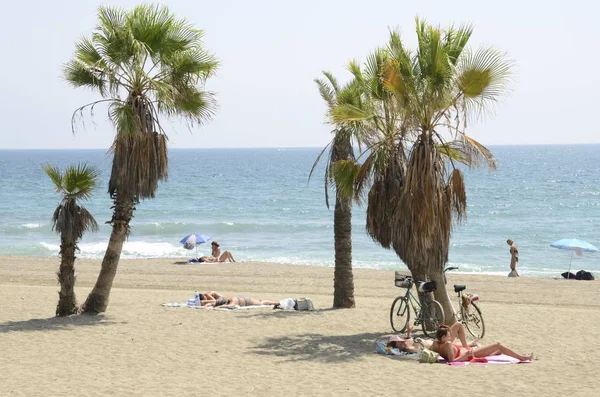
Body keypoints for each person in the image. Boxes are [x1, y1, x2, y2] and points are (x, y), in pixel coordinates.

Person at [432, 324, 533, 362]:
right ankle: (521, 357)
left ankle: (498, 353)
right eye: (449, 335)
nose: (451, 337)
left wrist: (467, 345)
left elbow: (448, 352)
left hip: (467, 350)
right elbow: (452, 361)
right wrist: (466, 355)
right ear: (444, 337)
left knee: (497, 350)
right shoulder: (448, 344)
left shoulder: (437, 344)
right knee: (498, 345)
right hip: (470, 354)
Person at [211, 295, 280, 309]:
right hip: (245, 299)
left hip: (247, 301)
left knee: (262, 303)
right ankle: (278, 303)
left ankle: (279, 303)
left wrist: (219, 306)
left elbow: (230, 306)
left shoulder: (232, 301)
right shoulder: (230, 298)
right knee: (262, 301)